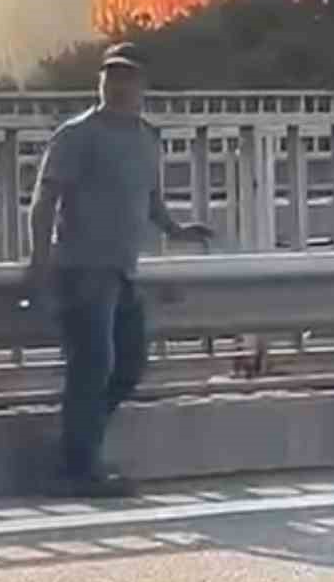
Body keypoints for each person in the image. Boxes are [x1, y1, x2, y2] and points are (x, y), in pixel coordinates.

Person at [26, 41, 211, 497]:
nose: (117, 83)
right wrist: (38, 260)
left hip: (122, 270)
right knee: (94, 364)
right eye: (111, 75)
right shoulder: (76, 135)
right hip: (84, 267)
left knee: (129, 366)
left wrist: (177, 229)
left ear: (143, 84)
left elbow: (150, 200)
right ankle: (79, 466)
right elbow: (44, 199)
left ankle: (76, 447)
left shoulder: (147, 138)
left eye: (127, 76)